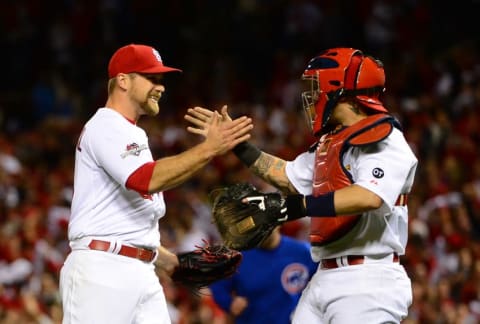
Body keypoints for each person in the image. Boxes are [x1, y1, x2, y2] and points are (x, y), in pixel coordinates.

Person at [185, 47, 418, 323]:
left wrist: (295, 208)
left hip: (367, 279)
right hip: (324, 276)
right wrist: (238, 146)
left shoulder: (384, 139)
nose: (313, 96)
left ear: (339, 91)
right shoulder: (331, 143)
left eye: (319, 87)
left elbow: (368, 197)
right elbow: (288, 177)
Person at [59, 43, 253, 324]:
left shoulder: (130, 133)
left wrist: (171, 263)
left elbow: (126, 225)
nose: (160, 87)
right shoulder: (106, 124)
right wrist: (210, 148)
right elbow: (145, 179)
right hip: (102, 271)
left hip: (142, 272)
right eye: (152, 78)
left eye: (161, 80)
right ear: (123, 80)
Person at [209, 226, 317, 324]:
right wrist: (229, 303)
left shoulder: (302, 252)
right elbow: (217, 285)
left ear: (279, 223)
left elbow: (325, 278)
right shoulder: (238, 257)